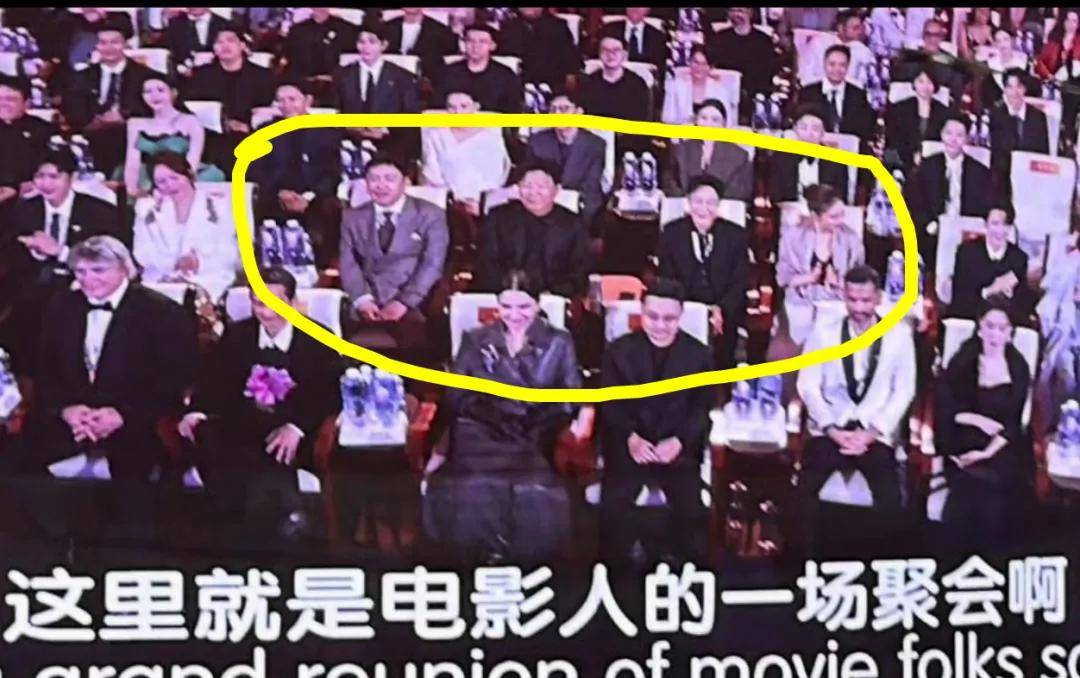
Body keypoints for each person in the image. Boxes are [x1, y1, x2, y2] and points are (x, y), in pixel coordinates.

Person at [10, 236, 196, 536]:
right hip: (73, 419)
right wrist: (68, 410)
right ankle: (45, 546)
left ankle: (125, 550)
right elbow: (45, 371)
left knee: (134, 478)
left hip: (135, 421)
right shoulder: (62, 306)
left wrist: (121, 415)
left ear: (124, 269)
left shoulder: (162, 313)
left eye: (98, 271)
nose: (88, 280)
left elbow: (173, 382)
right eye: (81, 272)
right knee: (15, 459)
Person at [422, 270, 581, 564]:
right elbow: (457, 394)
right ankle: (479, 556)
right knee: (473, 484)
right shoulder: (476, 339)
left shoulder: (559, 341)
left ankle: (528, 559)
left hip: (534, 433)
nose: (514, 315)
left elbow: (571, 397)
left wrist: (541, 419)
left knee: (537, 490)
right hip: (481, 430)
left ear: (538, 304)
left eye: (524, 307)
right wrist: (489, 414)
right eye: (506, 306)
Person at [180, 266, 339, 541]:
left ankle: (260, 531)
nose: (266, 312)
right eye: (258, 303)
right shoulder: (238, 334)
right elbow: (213, 379)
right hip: (244, 425)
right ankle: (248, 524)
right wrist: (196, 410)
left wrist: (296, 427)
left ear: (292, 302)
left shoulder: (318, 337)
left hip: (293, 428)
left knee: (269, 453)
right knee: (212, 436)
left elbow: (328, 392)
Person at [795, 266, 914, 552]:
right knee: (800, 497)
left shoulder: (899, 336)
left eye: (865, 300)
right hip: (830, 431)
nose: (859, 308)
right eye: (852, 300)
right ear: (844, 297)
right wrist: (832, 429)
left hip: (874, 434)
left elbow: (904, 391)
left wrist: (871, 433)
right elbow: (808, 385)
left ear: (878, 298)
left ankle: (879, 567)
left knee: (890, 500)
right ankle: (801, 565)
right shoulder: (823, 333)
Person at [599, 278, 715, 568]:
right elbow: (610, 403)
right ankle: (619, 570)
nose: (660, 326)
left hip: (677, 449)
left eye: (669, 319)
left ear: (680, 316)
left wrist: (679, 441)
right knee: (613, 510)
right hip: (630, 446)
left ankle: (679, 568)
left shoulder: (699, 355)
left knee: (692, 513)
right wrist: (631, 437)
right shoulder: (618, 351)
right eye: (652, 317)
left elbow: (702, 409)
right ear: (642, 312)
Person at [0, 151, 121, 375]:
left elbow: (108, 257)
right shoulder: (23, 210)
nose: (46, 184)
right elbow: (10, 253)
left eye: (53, 176)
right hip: (31, 288)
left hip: (80, 284)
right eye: (40, 176)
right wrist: (36, 253)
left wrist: (60, 252)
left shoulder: (99, 212)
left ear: (71, 177)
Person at [935, 297, 1033, 552]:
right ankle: (955, 557)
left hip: (1001, 447)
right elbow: (946, 409)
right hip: (963, 442)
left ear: (1010, 333)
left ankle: (988, 558)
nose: (994, 334)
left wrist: (986, 453)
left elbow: (1013, 423)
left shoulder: (1018, 367)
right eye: (989, 326)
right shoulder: (962, 360)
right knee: (967, 489)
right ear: (979, 328)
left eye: (1002, 328)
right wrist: (976, 419)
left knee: (991, 494)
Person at [340, 156, 448, 359]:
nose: (381, 186)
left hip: (415, 301)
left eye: (389, 179)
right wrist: (363, 300)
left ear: (405, 182)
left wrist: (404, 302)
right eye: (374, 179)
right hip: (368, 301)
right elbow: (348, 263)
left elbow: (432, 264)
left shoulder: (430, 214)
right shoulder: (352, 217)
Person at [249, 79, 343, 267]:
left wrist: (307, 198)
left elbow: (333, 172)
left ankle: (323, 267)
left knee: (329, 209)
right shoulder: (264, 131)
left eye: (292, 99)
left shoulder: (326, 131)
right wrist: (281, 193)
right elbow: (257, 170)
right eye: (280, 100)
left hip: (314, 196)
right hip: (275, 195)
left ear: (308, 101)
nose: (286, 105)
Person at [658, 176, 749, 369]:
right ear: (688, 203)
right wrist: (691, 310)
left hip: (723, 311)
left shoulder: (736, 235)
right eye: (698, 201)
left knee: (723, 350)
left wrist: (720, 309)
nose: (704, 208)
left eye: (711, 203)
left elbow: (739, 281)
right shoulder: (672, 233)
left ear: (719, 206)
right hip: (684, 308)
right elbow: (668, 277)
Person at [132, 152, 239, 302]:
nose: (170, 185)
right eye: (161, 181)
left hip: (209, 279)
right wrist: (174, 266)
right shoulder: (148, 211)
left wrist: (199, 262)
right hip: (162, 282)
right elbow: (141, 253)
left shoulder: (219, 207)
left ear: (189, 175)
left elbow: (230, 254)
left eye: (174, 178)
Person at [476, 162, 590, 300]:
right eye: (527, 186)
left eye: (541, 187)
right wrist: (507, 291)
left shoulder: (573, 224)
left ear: (556, 190)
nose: (533, 193)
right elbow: (486, 263)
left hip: (553, 299)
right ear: (518, 189)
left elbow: (579, 272)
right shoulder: (498, 218)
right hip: (504, 297)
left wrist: (550, 296)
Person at [61, 17, 152, 178]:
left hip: (131, 136)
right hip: (92, 135)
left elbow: (151, 109)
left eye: (115, 42)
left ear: (125, 44)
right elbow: (72, 109)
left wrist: (123, 116)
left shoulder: (146, 76)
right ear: (95, 46)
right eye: (103, 43)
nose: (109, 48)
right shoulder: (79, 77)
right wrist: (95, 121)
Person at [776, 184, 865, 347]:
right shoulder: (793, 236)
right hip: (801, 302)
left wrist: (838, 281)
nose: (840, 221)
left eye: (842, 215)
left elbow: (860, 281)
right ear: (816, 216)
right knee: (804, 341)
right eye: (833, 217)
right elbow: (783, 278)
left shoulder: (851, 239)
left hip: (837, 303)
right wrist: (810, 277)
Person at [904, 114, 993, 268]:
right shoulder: (927, 166)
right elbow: (914, 199)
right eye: (949, 133)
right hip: (933, 231)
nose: (953, 139)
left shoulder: (981, 172)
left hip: (966, 234)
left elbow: (986, 206)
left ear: (967, 139)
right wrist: (929, 224)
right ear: (942, 135)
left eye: (959, 135)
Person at [184, 24, 276, 173]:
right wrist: (225, 123)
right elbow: (191, 106)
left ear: (242, 45)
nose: (225, 46)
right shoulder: (202, 75)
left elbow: (268, 109)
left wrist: (248, 125)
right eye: (219, 42)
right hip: (212, 135)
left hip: (251, 133)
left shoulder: (263, 76)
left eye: (230, 40)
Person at [123, 74, 225, 197]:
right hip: (152, 174)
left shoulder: (190, 121)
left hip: (188, 174)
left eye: (160, 90)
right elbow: (132, 162)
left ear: (173, 93)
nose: (154, 96)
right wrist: (132, 190)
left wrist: (170, 184)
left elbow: (192, 161)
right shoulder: (135, 123)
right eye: (148, 92)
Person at [421, 91, 510, 214]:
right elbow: (432, 171)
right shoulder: (435, 135)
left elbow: (497, 173)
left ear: (475, 107)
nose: (458, 112)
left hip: (484, 200)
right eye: (452, 107)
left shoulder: (491, 137)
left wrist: (480, 201)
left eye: (464, 106)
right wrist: (452, 199)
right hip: (447, 200)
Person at [525, 91, 607, 221]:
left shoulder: (595, 145)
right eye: (553, 110)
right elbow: (529, 179)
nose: (557, 114)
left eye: (564, 109)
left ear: (578, 112)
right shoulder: (537, 141)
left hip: (579, 208)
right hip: (542, 206)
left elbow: (591, 187)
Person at [948, 203, 1033, 323]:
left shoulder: (1019, 258)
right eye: (995, 224)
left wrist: (1008, 295)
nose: (999, 231)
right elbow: (959, 298)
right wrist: (989, 291)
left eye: (1005, 224)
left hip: (1004, 322)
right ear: (986, 225)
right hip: (969, 317)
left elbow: (1022, 305)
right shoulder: (966, 253)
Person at [664, 99, 754, 202]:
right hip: (686, 206)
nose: (708, 124)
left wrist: (711, 203)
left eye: (715, 120)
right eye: (703, 118)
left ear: (723, 124)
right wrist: (690, 202)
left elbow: (741, 191)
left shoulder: (739, 155)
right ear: (696, 121)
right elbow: (669, 183)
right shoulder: (681, 150)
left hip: (723, 208)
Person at [767, 105, 850, 205]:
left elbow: (840, 198)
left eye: (815, 129)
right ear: (795, 129)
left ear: (823, 132)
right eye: (803, 128)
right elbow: (775, 197)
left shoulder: (836, 160)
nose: (809, 134)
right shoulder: (780, 157)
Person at [433, 25, 522, 114]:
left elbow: (514, 112)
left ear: (492, 46)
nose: (475, 46)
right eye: (470, 41)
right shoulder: (447, 73)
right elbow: (436, 109)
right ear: (464, 44)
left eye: (482, 42)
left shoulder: (506, 76)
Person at [0, 75, 57, 208]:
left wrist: (17, 188)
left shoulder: (43, 129)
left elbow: (55, 164)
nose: (3, 104)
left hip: (33, 196)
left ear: (26, 103)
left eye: (11, 99)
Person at [797, 45, 876, 142]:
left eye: (842, 65)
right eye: (832, 64)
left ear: (848, 67)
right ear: (824, 64)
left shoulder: (858, 95)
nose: (837, 69)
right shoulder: (808, 92)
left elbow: (866, 128)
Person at [989, 68, 1051, 189]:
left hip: (1031, 178)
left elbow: (1043, 153)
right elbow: (996, 154)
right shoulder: (996, 115)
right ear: (1004, 89)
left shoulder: (1038, 117)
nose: (1014, 92)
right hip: (1005, 179)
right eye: (1010, 87)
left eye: (1019, 87)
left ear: (1025, 89)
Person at [884, 65, 950, 173]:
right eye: (921, 81)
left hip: (933, 163)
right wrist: (912, 156)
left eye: (929, 82)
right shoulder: (900, 108)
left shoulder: (944, 112)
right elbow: (893, 139)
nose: (925, 86)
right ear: (914, 83)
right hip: (903, 160)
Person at [497, 8, 582, 90]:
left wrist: (571, 74)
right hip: (519, 84)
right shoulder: (508, 27)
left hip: (553, 82)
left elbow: (570, 56)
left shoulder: (558, 26)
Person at [705, 7, 779, 99]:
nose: (736, 14)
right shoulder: (720, 38)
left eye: (740, 11)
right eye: (732, 10)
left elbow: (769, 69)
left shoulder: (764, 41)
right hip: (726, 91)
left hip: (756, 92)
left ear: (750, 13)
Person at [578, 36, 652, 125]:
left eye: (616, 50)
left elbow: (641, 120)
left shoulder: (637, 84)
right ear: (599, 54)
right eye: (605, 50)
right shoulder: (587, 83)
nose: (610, 54)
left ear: (624, 54)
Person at [661, 46, 737, 128]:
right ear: (689, 62)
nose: (699, 67)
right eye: (695, 62)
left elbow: (728, 123)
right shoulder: (675, 87)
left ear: (710, 67)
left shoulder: (720, 91)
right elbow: (667, 118)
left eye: (704, 64)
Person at [382, 7, 458, 82]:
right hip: (390, 78)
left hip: (426, 79)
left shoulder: (440, 30)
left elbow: (449, 55)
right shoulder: (387, 27)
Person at [283, 7, 359, 81]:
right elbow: (291, 57)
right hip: (303, 79)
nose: (320, 9)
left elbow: (352, 55)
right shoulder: (297, 30)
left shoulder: (345, 28)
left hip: (335, 80)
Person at [599, 8, 667, 70]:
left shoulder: (658, 36)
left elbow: (660, 68)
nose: (635, 8)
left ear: (648, 10)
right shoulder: (608, 30)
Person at [1036, 9, 1080, 80]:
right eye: (1068, 20)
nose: (1070, 23)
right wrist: (1049, 76)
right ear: (1064, 22)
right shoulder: (1053, 41)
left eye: (1074, 21)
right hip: (1052, 80)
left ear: (1078, 24)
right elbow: (1040, 62)